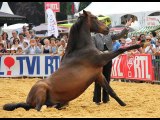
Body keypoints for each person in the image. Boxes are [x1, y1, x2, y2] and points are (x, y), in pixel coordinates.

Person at [92, 18, 133, 105]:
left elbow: (119, 35)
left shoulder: (109, 35)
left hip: (108, 59)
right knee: (98, 80)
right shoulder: (94, 37)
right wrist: (101, 52)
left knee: (107, 79)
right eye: (102, 25)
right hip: (99, 60)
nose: (104, 26)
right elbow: (93, 48)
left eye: (104, 25)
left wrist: (126, 26)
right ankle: (97, 99)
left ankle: (106, 99)